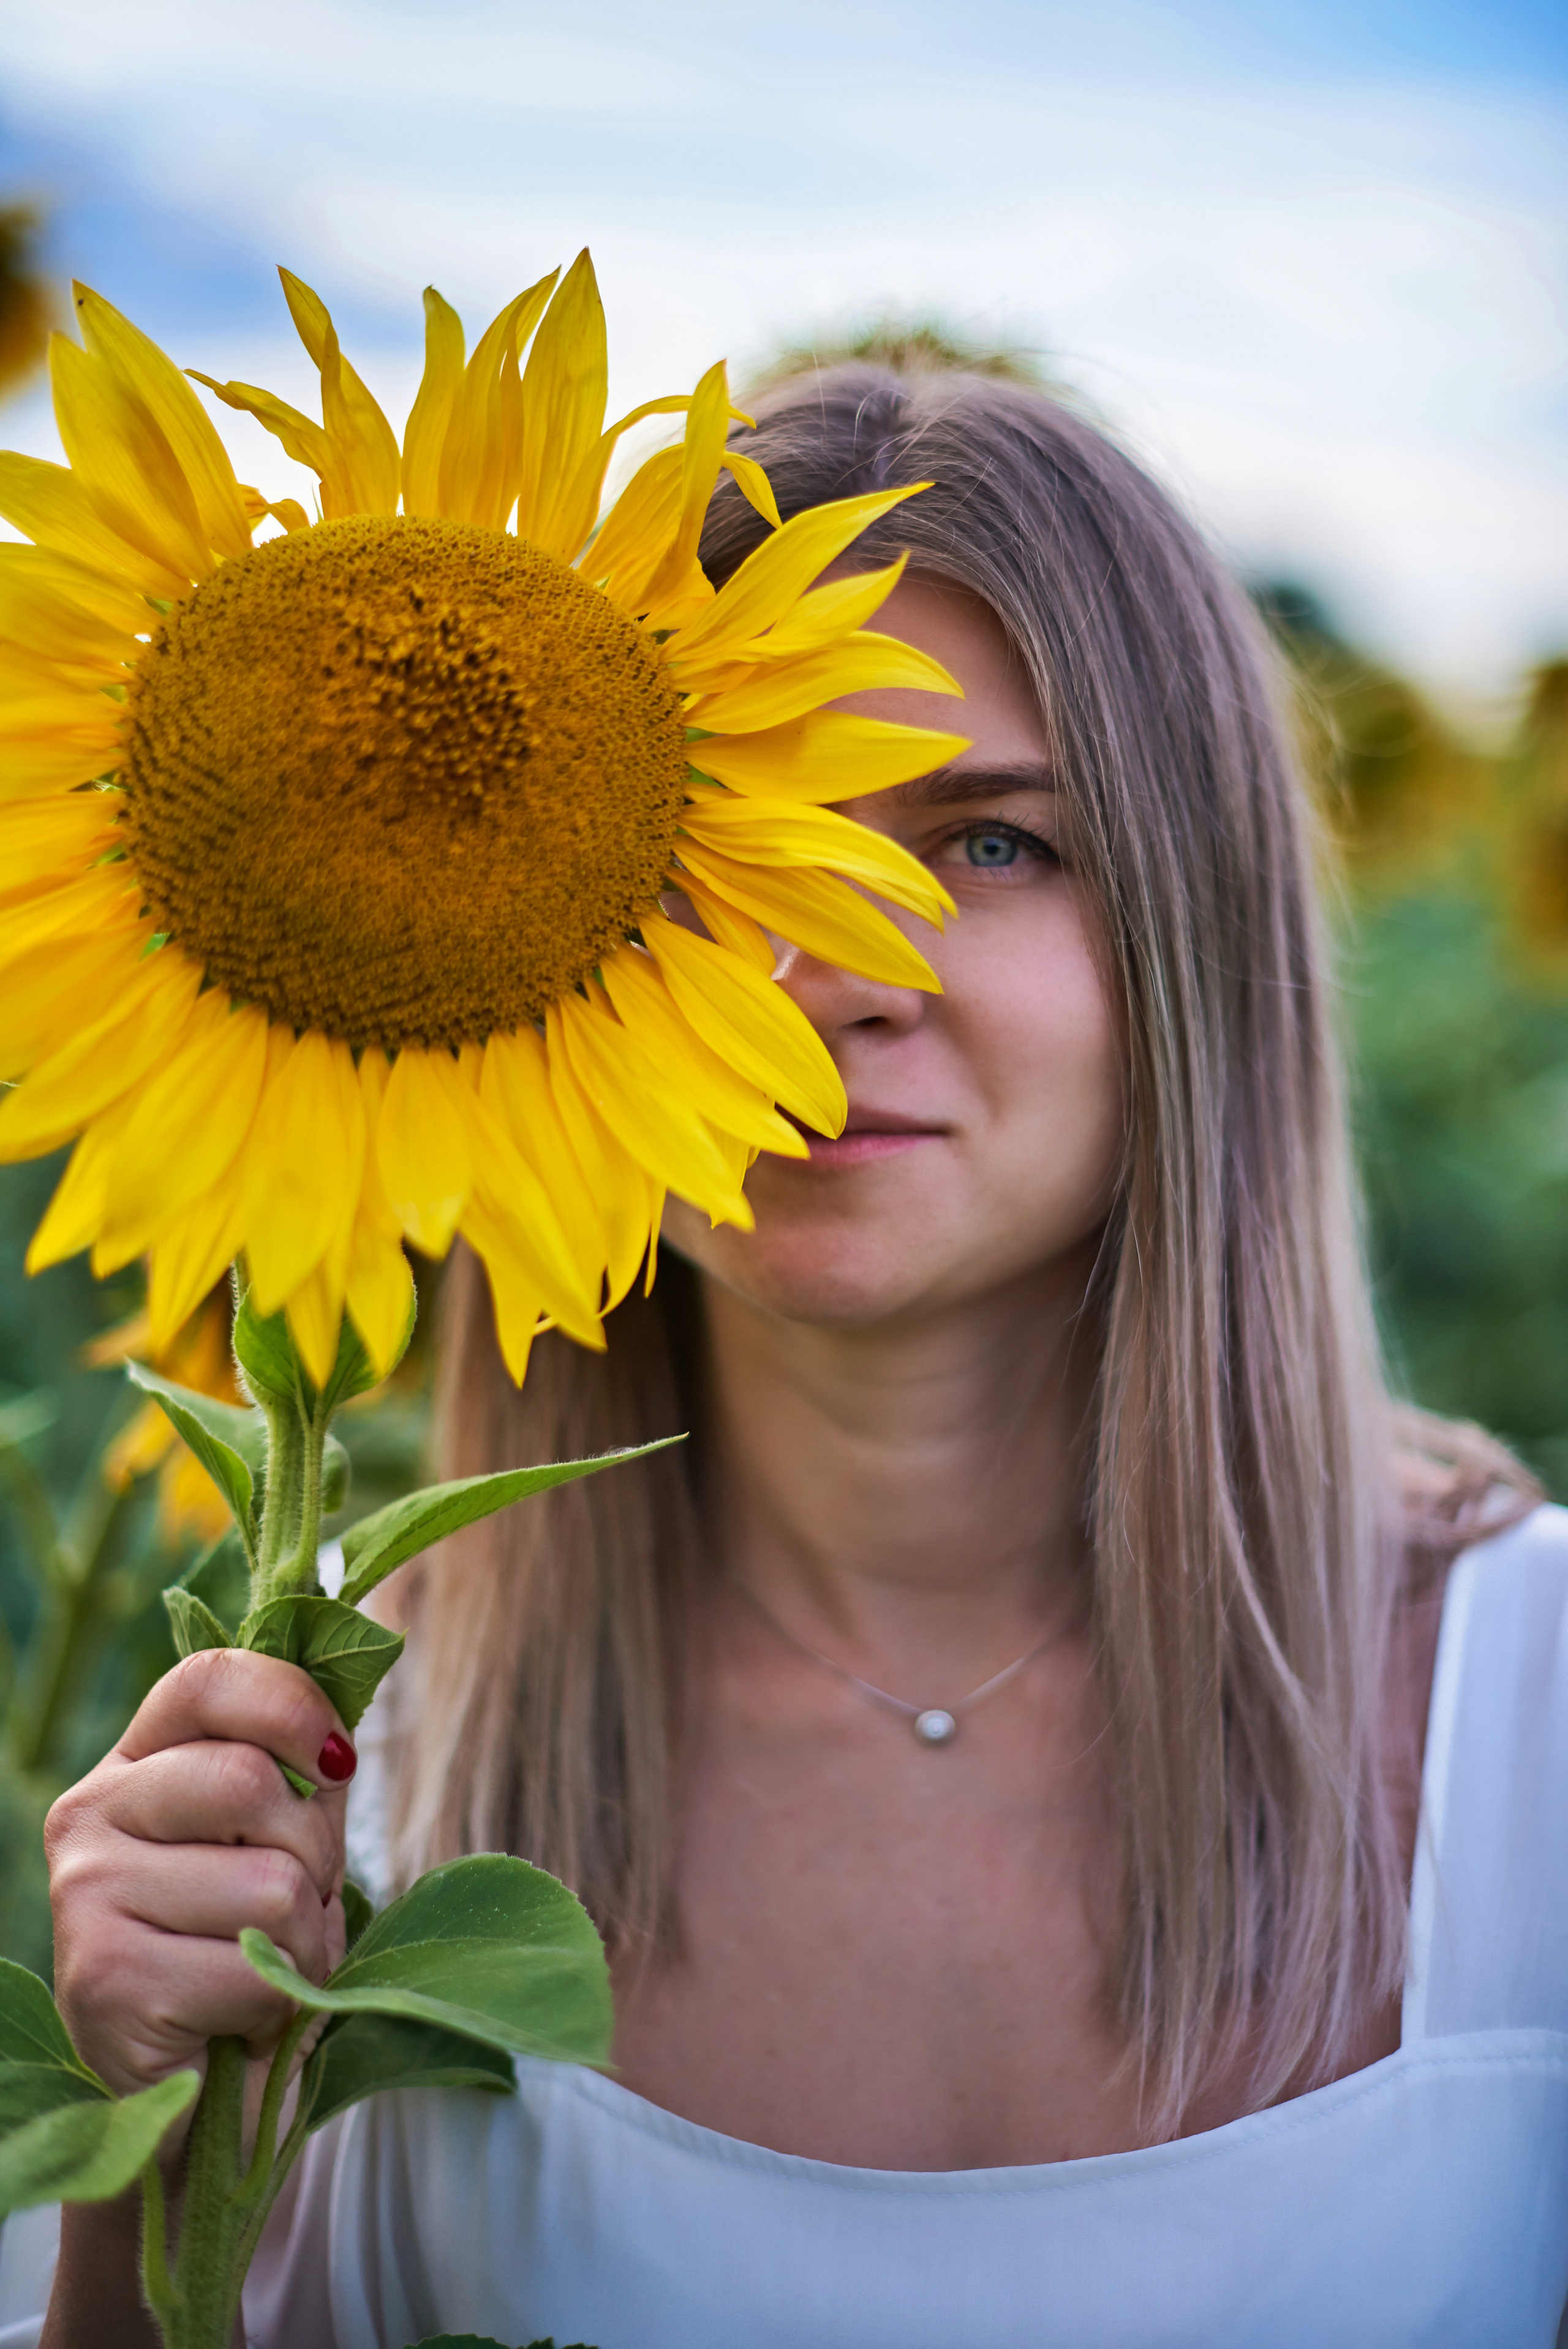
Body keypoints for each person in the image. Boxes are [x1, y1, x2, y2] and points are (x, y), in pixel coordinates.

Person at [23, 363, 1568, 2349]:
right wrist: (149, 2145)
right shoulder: (328, 1733)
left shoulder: (1531, 1729)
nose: (820, 969)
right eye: (725, 845)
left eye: (992, 844)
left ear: (1195, 924)